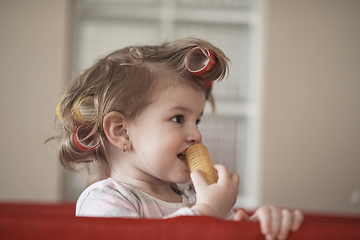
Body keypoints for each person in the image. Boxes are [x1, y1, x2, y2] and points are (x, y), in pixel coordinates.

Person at [51, 37, 303, 240]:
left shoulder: (196, 195)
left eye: (198, 120)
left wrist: (261, 225)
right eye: (178, 119)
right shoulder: (105, 200)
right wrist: (206, 213)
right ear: (121, 131)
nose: (197, 134)